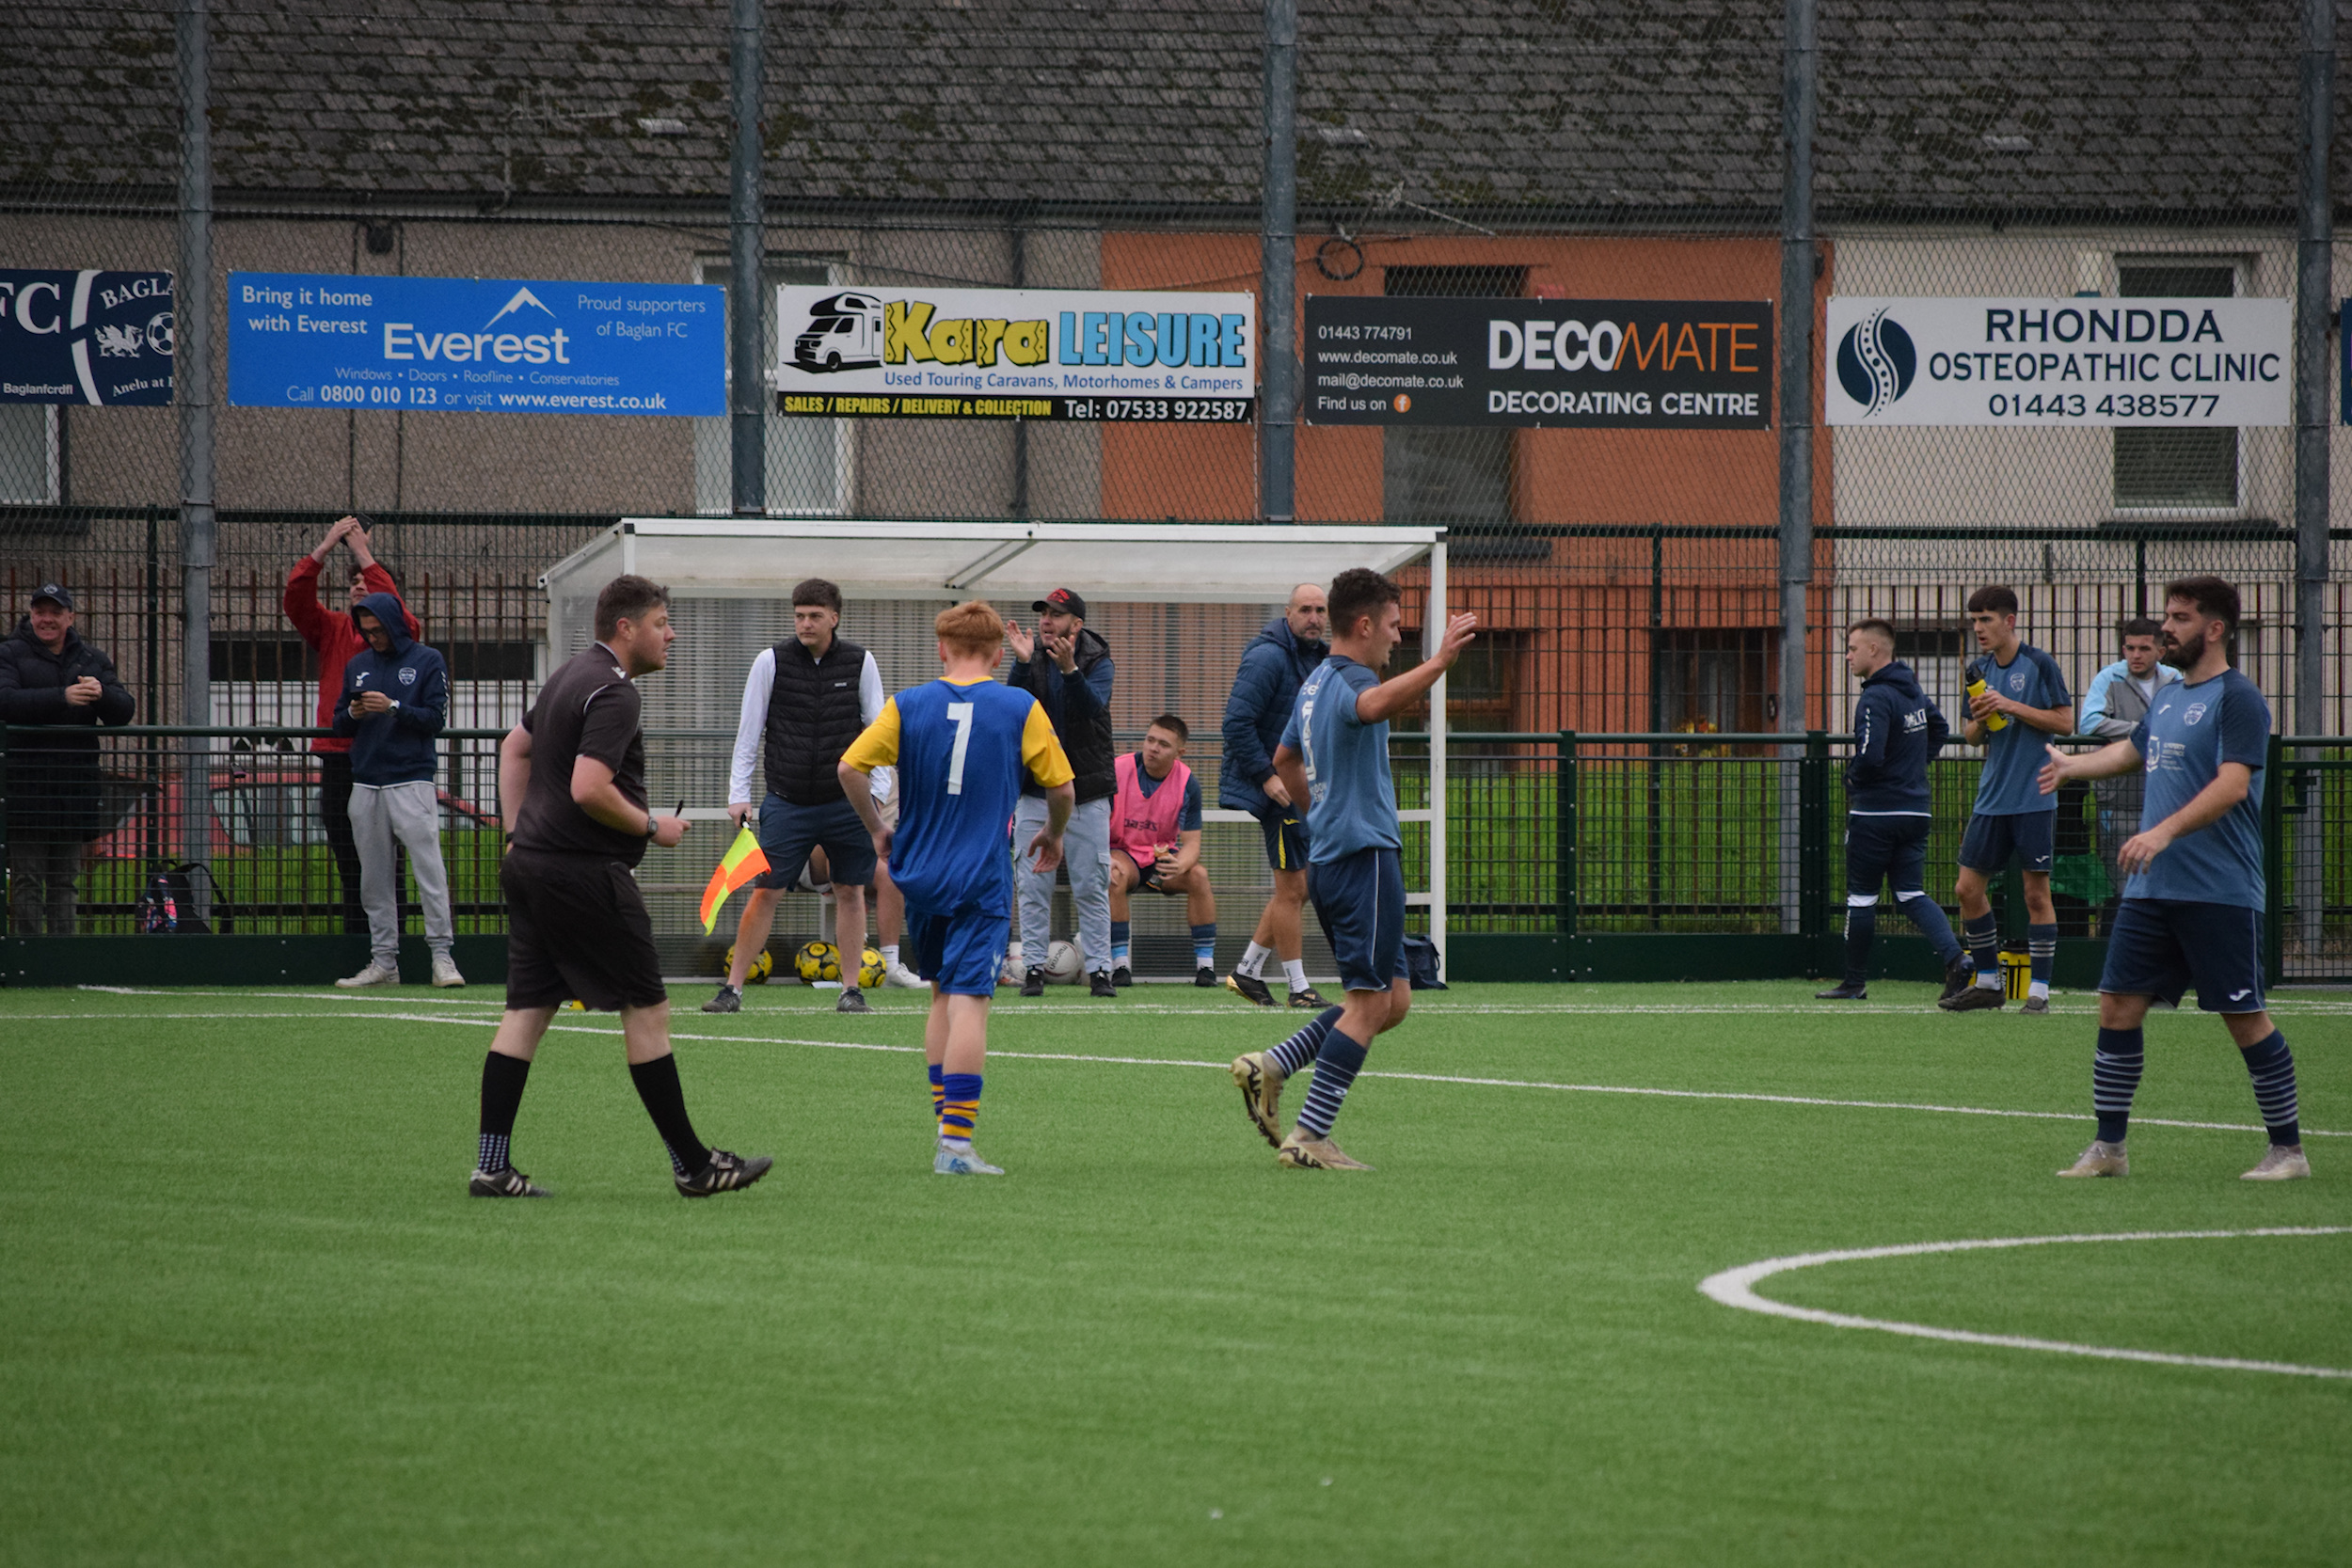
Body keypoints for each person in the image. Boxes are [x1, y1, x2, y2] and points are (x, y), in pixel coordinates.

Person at [472, 575, 771, 1199]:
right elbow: (587, 786)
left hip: (530, 865)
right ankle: (693, 1164)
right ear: (626, 628)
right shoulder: (614, 691)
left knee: (526, 1011)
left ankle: (491, 1166)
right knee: (648, 1007)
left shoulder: (566, 676)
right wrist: (651, 825)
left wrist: (515, 832)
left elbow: (514, 749)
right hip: (584, 872)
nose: (672, 634)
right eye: (662, 622)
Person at [2038, 577, 2307, 1182]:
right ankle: (2109, 1148)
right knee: (2116, 1007)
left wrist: (2162, 833)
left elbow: (2234, 784)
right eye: (2168, 616)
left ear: (2215, 629)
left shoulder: (2238, 699)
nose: (2167, 628)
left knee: (2244, 1018)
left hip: (2218, 890)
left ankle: (2289, 1151)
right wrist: (2071, 766)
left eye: (2181, 618)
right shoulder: (2164, 696)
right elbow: (2131, 753)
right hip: (2151, 891)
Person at [1228, 569, 1476, 1170]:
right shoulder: (1353, 679)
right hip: (1362, 858)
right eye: (1394, 626)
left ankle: (1276, 1065)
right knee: (1367, 1004)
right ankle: (1311, 1136)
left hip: (1342, 854)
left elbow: (1285, 759)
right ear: (1364, 625)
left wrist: (1320, 811)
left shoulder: (1312, 682)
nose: (1398, 637)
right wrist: (1439, 661)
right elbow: (1372, 706)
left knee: (1391, 1000)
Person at [839, 599, 1074, 1176]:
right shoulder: (1020, 705)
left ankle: (946, 1135)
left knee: (943, 992)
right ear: (998, 654)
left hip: (919, 874)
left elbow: (849, 768)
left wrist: (878, 830)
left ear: (942, 649)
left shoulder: (907, 704)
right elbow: (1063, 787)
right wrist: (1054, 832)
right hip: (981, 879)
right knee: (972, 1000)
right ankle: (957, 1146)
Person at [708, 578, 912, 1015]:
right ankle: (732, 989)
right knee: (767, 889)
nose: (805, 623)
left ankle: (851, 989)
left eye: (815, 616)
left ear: (834, 618)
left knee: (850, 889)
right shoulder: (771, 661)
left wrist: (874, 794)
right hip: (786, 799)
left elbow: (877, 731)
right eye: (799, 615)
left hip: (846, 805)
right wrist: (737, 794)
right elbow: (749, 731)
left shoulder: (861, 662)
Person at [1816, 620, 1971, 1003]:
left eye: (1852, 648)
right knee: (1911, 892)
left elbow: (1870, 755)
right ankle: (1956, 958)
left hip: (1876, 814)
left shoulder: (1875, 697)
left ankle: (1854, 982)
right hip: (1916, 811)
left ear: (1874, 650)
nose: (1848, 656)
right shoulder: (1913, 691)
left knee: (1862, 898)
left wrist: (1853, 781)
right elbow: (1940, 728)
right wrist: (1914, 770)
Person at [1944, 585, 2074, 1014]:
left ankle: (2038, 992)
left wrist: (2011, 706)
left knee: (2035, 895)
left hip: (2034, 796)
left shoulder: (2039, 664)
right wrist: (1981, 721)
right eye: (1974, 620)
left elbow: (2065, 722)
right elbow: (1970, 736)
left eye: (1986, 620)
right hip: (1991, 798)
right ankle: (1987, 982)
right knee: (1966, 889)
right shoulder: (1978, 670)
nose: (1978, 628)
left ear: (2010, 621)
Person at [285, 516, 418, 934]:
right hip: (339, 755)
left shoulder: (398, 639)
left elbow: (403, 621)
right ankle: (358, 938)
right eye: (354, 582)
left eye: (367, 581)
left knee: (387, 855)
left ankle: (393, 943)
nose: (359, 586)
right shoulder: (332, 628)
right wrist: (322, 549)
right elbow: (296, 601)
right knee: (347, 852)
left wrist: (363, 553)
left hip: (383, 757)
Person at [329, 595, 462, 990]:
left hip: (411, 779)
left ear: (393, 623)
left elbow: (434, 719)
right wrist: (352, 714)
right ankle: (384, 962)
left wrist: (392, 707)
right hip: (366, 781)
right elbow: (339, 723)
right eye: (366, 632)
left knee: (429, 871)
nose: (373, 638)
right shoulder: (358, 665)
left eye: (378, 630)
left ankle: (443, 958)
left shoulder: (427, 660)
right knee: (373, 879)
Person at [1219, 582, 1332, 1007]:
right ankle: (1298, 988)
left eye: (1321, 610)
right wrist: (1268, 776)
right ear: (1289, 613)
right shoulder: (1268, 656)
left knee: (1297, 888)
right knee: (1291, 889)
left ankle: (1247, 971)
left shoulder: (1320, 659)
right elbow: (1236, 724)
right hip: (1278, 791)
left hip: (1302, 788)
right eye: (1305, 609)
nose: (1314, 618)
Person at [0, 583, 134, 934]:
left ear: (70, 617)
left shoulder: (92, 659)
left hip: (75, 788)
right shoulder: (8, 653)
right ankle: (27, 955)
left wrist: (102, 694)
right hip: (23, 787)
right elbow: (6, 701)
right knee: (26, 879)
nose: (47, 619)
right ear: (31, 615)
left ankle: (63, 954)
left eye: (55, 613)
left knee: (65, 881)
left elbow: (123, 711)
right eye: (40, 612)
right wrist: (63, 696)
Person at [1004, 586, 1116, 998]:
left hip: (1087, 790)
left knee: (1092, 884)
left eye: (1056, 614)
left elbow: (1091, 708)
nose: (1046, 620)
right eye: (1043, 613)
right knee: (1032, 885)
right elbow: (1015, 708)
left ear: (1077, 624)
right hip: (1036, 790)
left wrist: (1070, 671)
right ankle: (1033, 968)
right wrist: (1019, 663)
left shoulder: (1098, 661)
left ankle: (1101, 970)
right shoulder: (1031, 656)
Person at [2079, 617, 2181, 920]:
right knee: (2121, 884)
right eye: (2130, 648)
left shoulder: (2175, 680)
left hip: (2165, 799)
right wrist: (2142, 730)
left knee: (2163, 879)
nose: (2135, 655)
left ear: (2161, 651)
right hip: (2118, 801)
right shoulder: (2109, 678)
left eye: (2144, 649)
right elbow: (2089, 722)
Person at [1106, 713, 1216, 987]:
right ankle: (1120, 966)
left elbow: (1192, 843)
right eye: (1150, 740)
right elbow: (1090, 819)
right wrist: (1101, 856)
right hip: (1122, 852)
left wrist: (1181, 864)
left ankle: (1206, 968)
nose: (1153, 748)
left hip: (1160, 857)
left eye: (1163, 744)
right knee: (1114, 876)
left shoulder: (1188, 783)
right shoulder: (1117, 769)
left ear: (1180, 752)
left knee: (1199, 876)